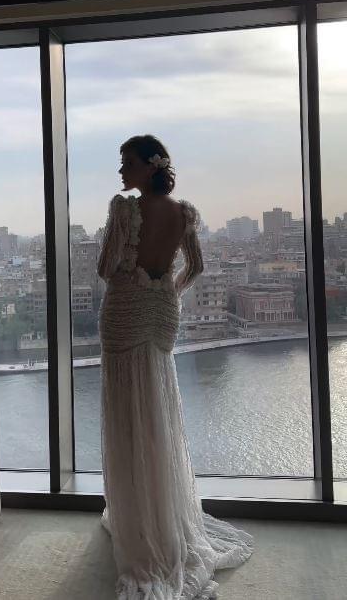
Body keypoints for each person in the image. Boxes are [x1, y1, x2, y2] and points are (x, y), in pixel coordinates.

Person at [97, 134, 254, 600]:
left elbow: (106, 268)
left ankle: (136, 517)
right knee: (157, 411)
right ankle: (163, 514)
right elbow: (196, 266)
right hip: (162, 313)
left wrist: (134, 278)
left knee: (126, 413)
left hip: (125, 311)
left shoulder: (124, 209)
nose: (121, 171)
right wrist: (167, 289)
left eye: (127, 162)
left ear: (150, 167)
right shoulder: (184, 213)